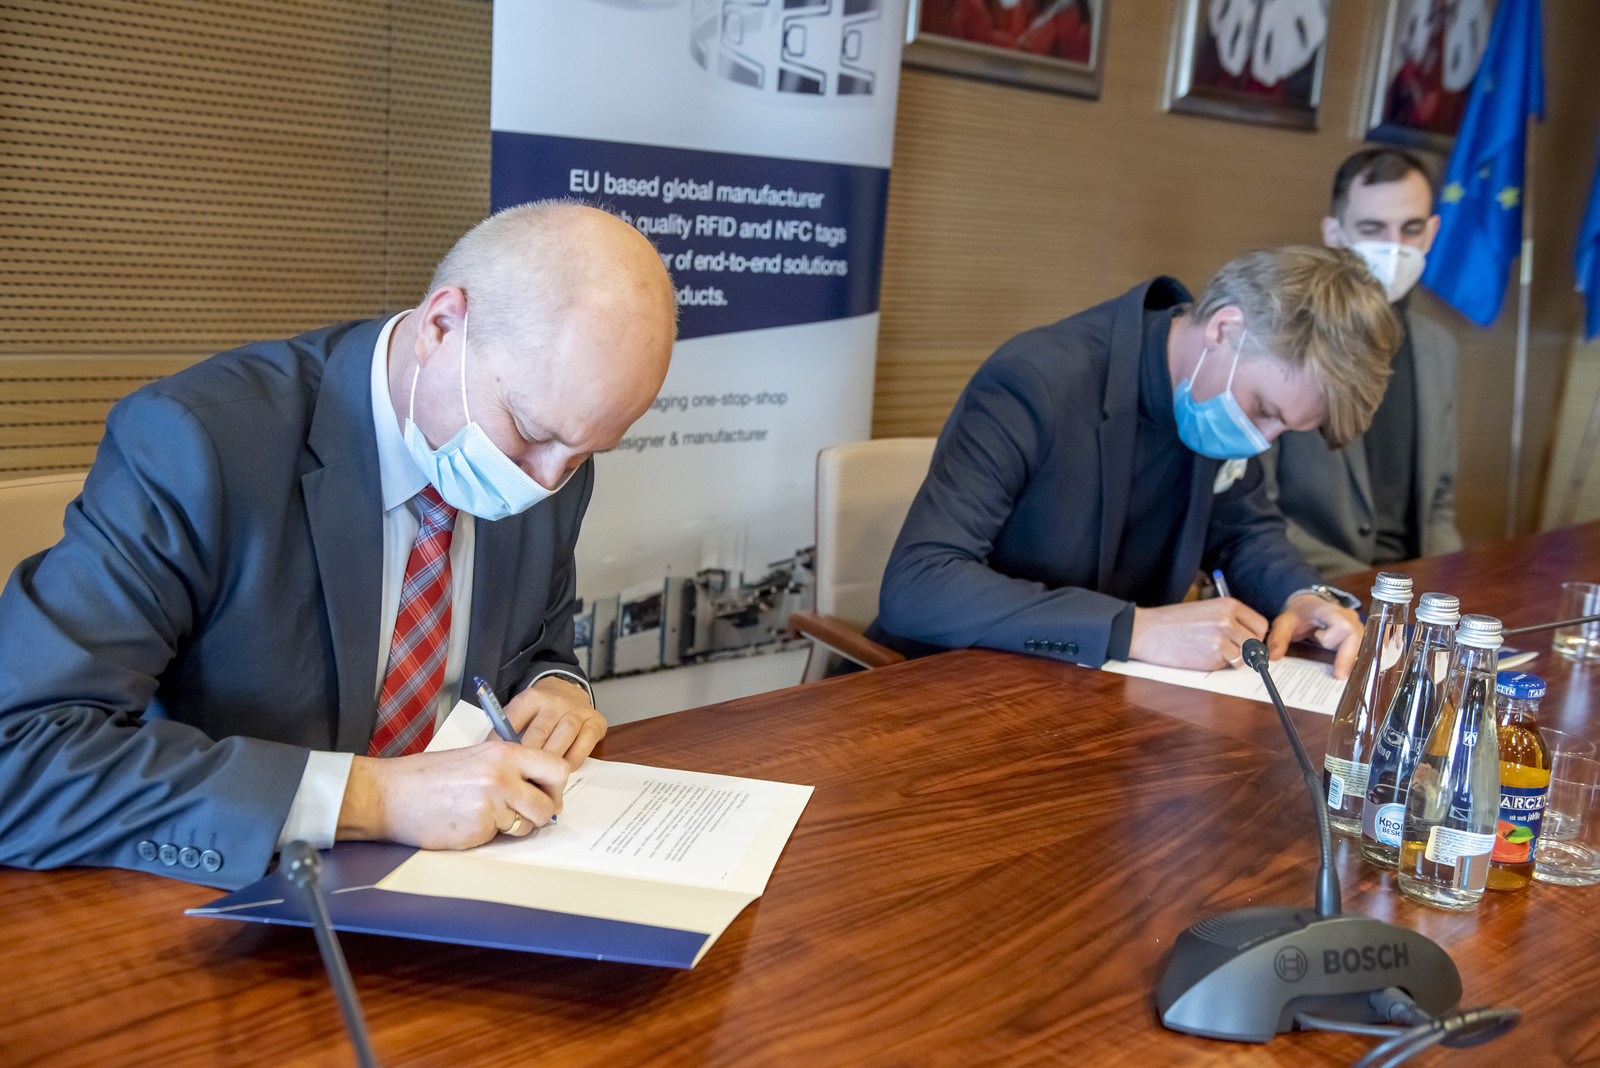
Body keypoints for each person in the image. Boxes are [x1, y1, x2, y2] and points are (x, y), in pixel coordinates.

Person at [0, 202, 677, 889]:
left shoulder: (555, 453)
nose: (545, 481)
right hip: (225, 896)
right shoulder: (198, 445)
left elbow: (539, 648)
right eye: (530, 430)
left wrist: (557, 690)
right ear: (441, 326)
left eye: (585, 452)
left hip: (464, 886)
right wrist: (375, 798)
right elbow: (20, 753)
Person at [867, 246, 1401, 679]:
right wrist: (1132, 628)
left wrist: (1302, 597)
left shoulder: (1215, 398)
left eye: (1285, 429)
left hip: (1099, 695)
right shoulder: (1035, 381)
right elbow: (919, 584)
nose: (1261, 442)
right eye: (1264, 410)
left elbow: (1244, 533)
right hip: (945, 682)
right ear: (1224, 329)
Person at [1261, 148, 1464, 577]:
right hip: (1314, 584)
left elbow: (1439, 501)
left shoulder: (1439, 347)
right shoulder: (1280, 339)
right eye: (1373, 229)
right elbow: (1254, 512)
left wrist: (1445, 583)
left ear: (1431, 233)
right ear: (1334, 234)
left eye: (1411, 229)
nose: (1394, 247)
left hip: (1414, 588)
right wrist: (1370, 589)